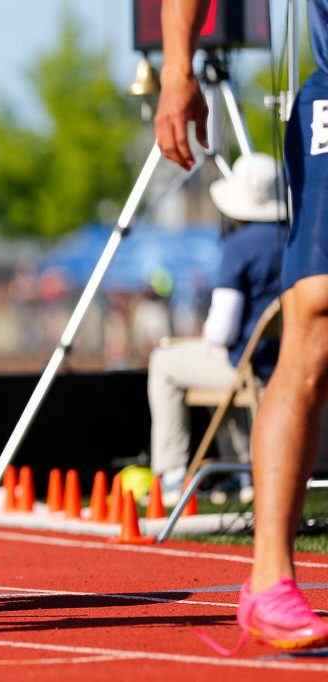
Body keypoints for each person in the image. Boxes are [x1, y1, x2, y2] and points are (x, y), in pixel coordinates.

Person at [157, 0, 328, 650]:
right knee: (315, 315)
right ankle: (269, 580)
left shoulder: (234, 250)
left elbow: (219, 332)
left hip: (232, 363)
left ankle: (178, 477)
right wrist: (178, 67)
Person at [148, 153, 284, 503]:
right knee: (227, 365)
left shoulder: (240, 246)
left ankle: (173, 476)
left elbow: (222, 332)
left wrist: (209, 332)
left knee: (164, 362)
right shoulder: (299, 239)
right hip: (289, 364)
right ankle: (240, 470)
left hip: (248, 367)